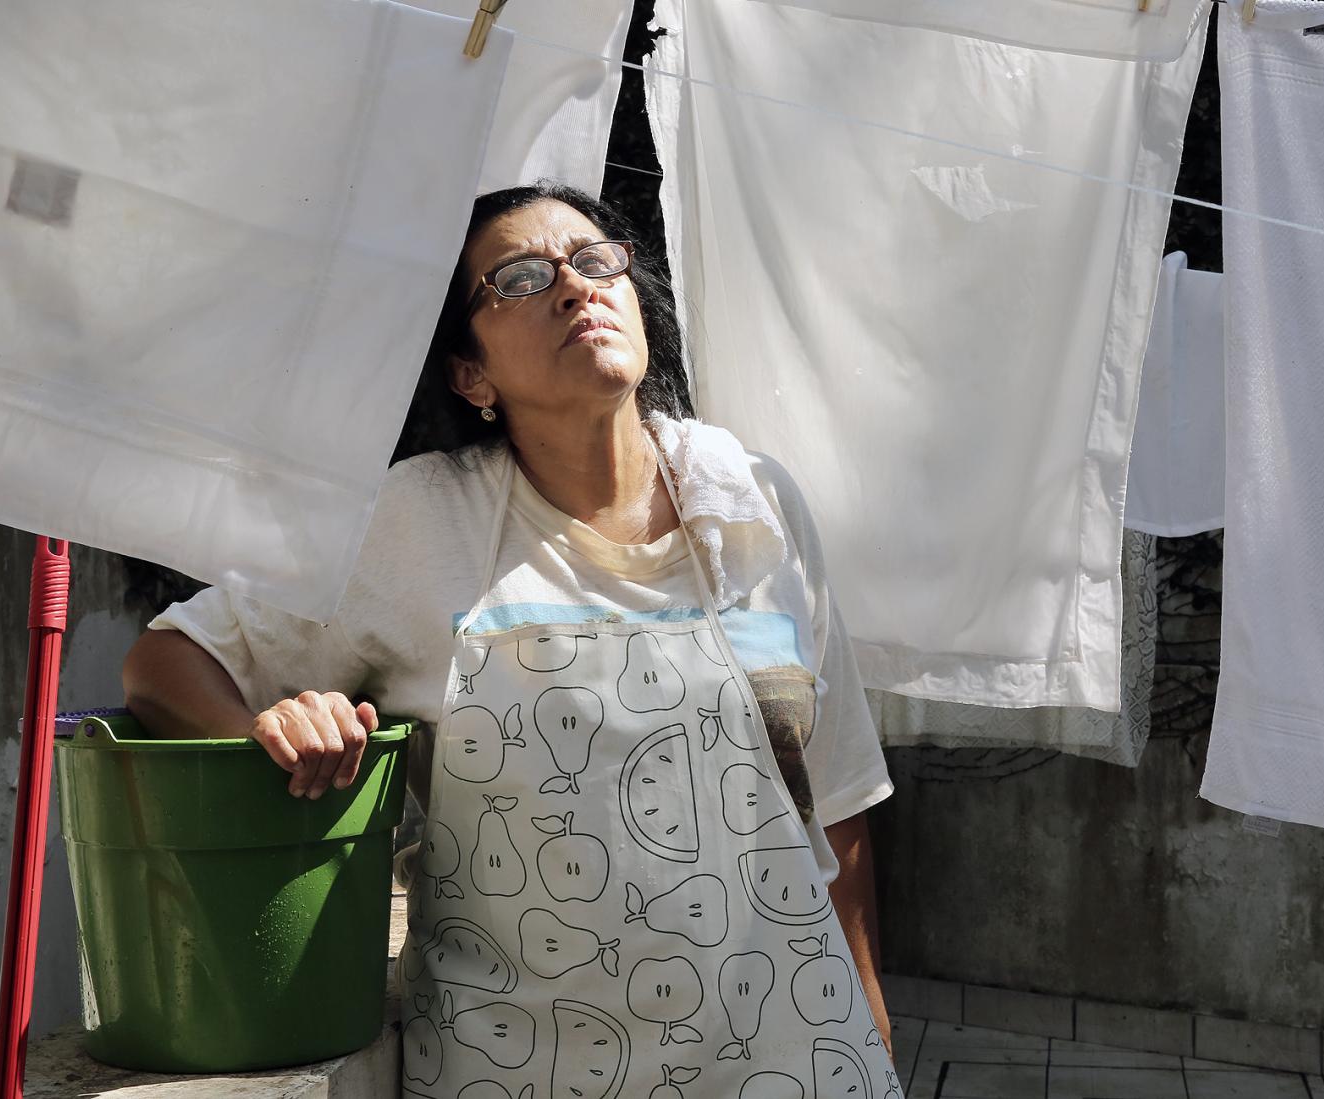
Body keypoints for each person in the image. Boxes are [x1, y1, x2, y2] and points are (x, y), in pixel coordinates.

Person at [123, 183, 898, 1096]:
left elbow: (838, 799)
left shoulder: (756, 504)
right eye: (523, 278)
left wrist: (873, 1025)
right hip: (525, 1069)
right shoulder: (418, 525)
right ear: (471, 375)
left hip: (797, 1062)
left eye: (595, 259)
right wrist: (263, 729)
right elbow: (164, 659)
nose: (575, 287)